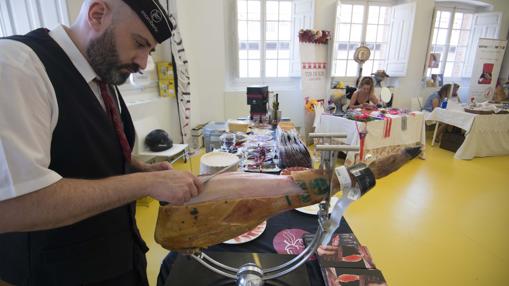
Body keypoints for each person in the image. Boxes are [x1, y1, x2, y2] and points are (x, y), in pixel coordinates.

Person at [0, 0, 202, 285]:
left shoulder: (101, 77)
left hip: (122, 263)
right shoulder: (18, 65)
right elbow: (14, 203)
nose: (143, 63)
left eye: (150, 50)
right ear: (97, 14)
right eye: (139, 43)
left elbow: (87, 153)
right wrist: (144, 185)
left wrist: (139, 170)